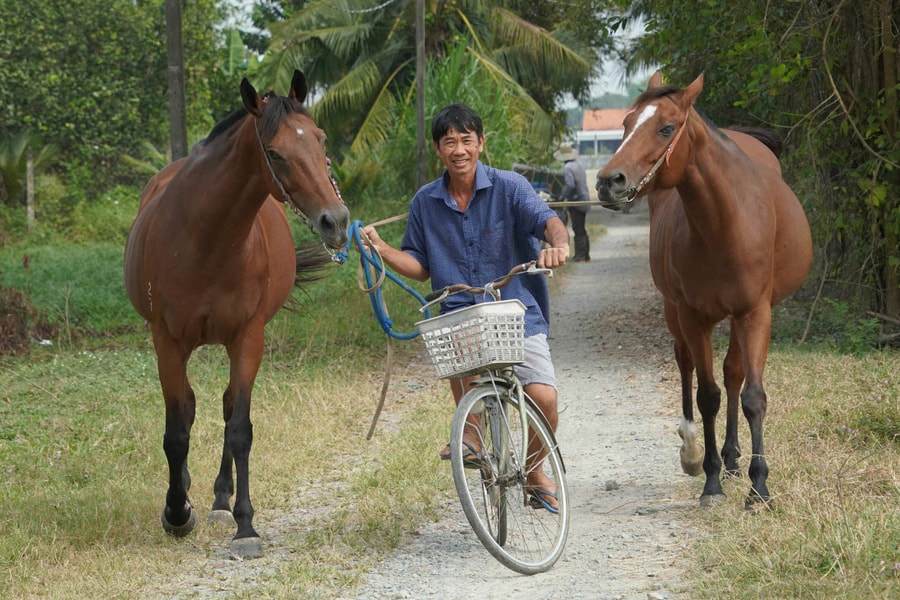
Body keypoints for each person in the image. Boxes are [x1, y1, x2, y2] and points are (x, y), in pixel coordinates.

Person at [363, 103, 569, 512]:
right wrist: (379, 248)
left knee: (543, 396)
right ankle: (470, 432)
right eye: (449, 141)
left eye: (466, 140)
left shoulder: (510, 187)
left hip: (515, 311)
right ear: (439, 149)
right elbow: (420, 268)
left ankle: (534, 469)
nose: (458, 149)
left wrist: (558, 245)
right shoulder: (425, 203)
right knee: (467, 378)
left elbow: (548, 221)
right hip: (458, 314)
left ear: (480, 143)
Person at [554, 142, 591, 262]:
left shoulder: (567, 168)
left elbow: (570, 184)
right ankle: (585, 254)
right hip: (584, 198)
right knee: (582, 227)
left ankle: (580, 255)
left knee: (577, 227)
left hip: (576, 201)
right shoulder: (579, 164)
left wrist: (561, 197)